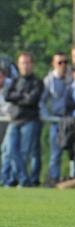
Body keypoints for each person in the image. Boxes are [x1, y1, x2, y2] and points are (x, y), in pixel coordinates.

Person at [3, 52, 44, 187]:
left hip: (30, 120)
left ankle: (20, 180)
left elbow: (31, 100)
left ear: (32, 64)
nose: (25, 66)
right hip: (14, 120)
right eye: (22, 63)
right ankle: (21, 179)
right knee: (10, 151)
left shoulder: (37, 82)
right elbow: (7, 95)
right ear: (18, 65)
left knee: (24, 152)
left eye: (27, 63)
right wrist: (23, 95)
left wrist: (18, 97)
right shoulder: (15, 81)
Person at [40, 51, 70, 187]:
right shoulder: (49, 81)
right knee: (55, 153)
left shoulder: (72, 78)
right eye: (59, 62)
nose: (63, 65)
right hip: (56, 121)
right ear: (53, 64)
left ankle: (74, 179)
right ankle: (53, 179)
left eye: (65, 62)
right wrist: (48, 116)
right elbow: (41, 101)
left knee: (74, 153)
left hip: (71, 120)